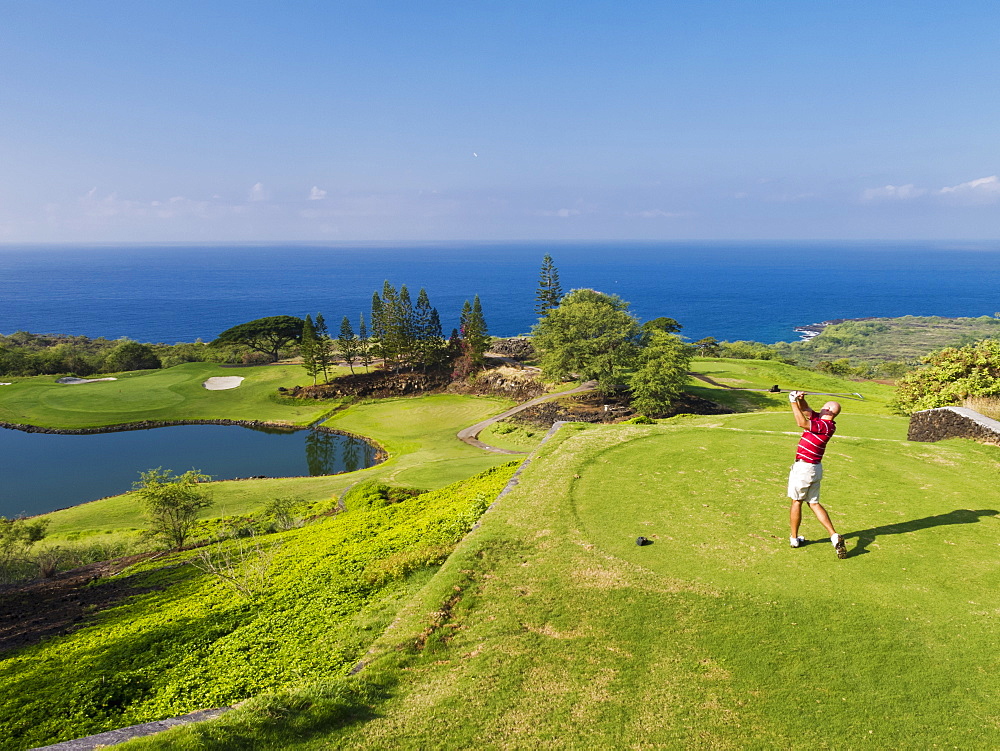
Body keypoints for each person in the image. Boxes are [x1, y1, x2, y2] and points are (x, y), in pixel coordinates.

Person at [786, 390, 847, 558]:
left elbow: (802, 422)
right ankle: (834, 536)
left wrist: (792, 402)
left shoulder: (825, 426)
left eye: (823, 408)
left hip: (804, 469)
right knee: (813, 503)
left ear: (828, 410)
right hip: (814, 469)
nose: (820, 409)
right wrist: (801, 399)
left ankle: (794, 538)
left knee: (796, 501)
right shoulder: (823, 422)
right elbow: (807, 412)